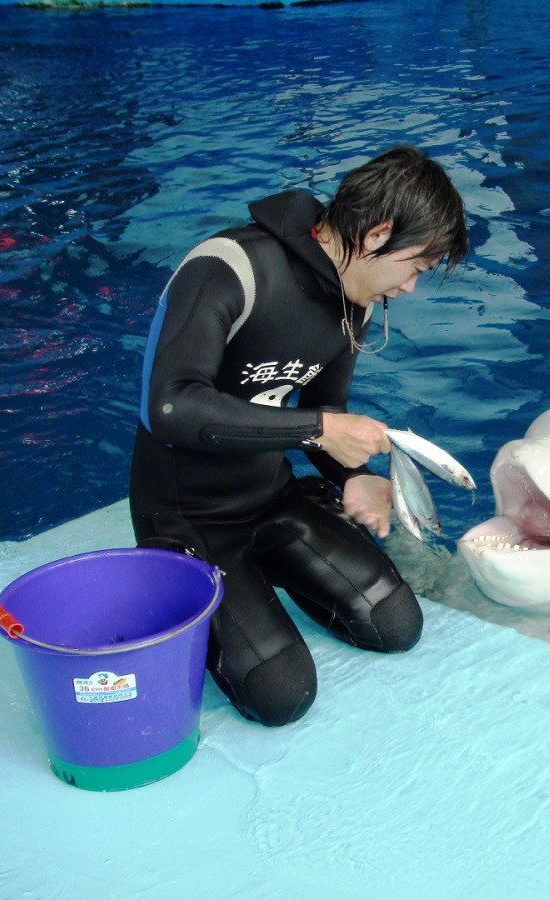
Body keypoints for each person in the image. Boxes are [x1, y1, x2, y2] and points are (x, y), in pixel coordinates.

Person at [129, 146, 469, 726]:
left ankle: (269, 568)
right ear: (376, 234)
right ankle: (218, 587)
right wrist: (320, 431)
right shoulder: (230, 265)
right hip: (186, 516)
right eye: (414, 265)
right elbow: (170, 405)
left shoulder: (352, 303)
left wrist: (354, 479)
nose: (411, 288)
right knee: (281, 695)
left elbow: (326, 408)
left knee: (394, 626)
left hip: (272, 497)